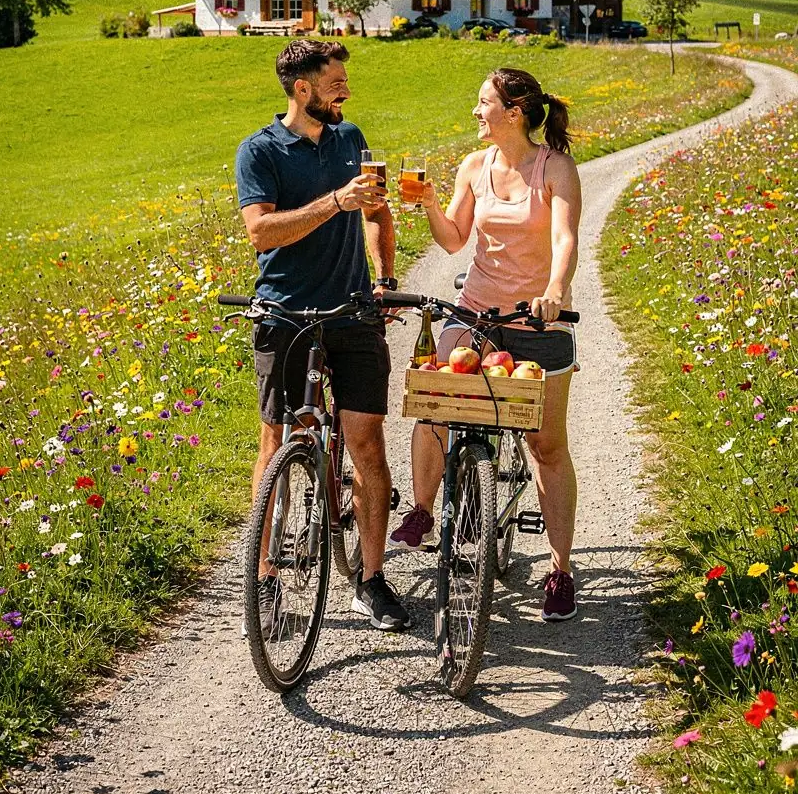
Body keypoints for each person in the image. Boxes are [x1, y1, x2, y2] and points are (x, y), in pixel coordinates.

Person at [390, 66, 582, 622]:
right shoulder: (474, 166)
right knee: (433, 403)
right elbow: (453, 239)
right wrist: (428, 201)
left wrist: (554, 289)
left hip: (537, 319)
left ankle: (560, 570)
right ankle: (425, 510)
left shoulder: (555, 168)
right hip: (476, 311)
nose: (476, 112)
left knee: (546, 446)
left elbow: (566, 238)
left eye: (483, 103)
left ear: (513, 112)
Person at [235, 38, 410, 632]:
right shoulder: (259, 151)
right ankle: (264, 580)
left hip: (355, 314)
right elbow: (261, 233)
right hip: (284, 316)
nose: (346, 93)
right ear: (302, 89)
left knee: (366, 445)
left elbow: (378, 213)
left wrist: (385, 277)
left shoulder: (350, 138)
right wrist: (335, 201)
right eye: (336, 84)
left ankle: (370, 577)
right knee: (277, 440)